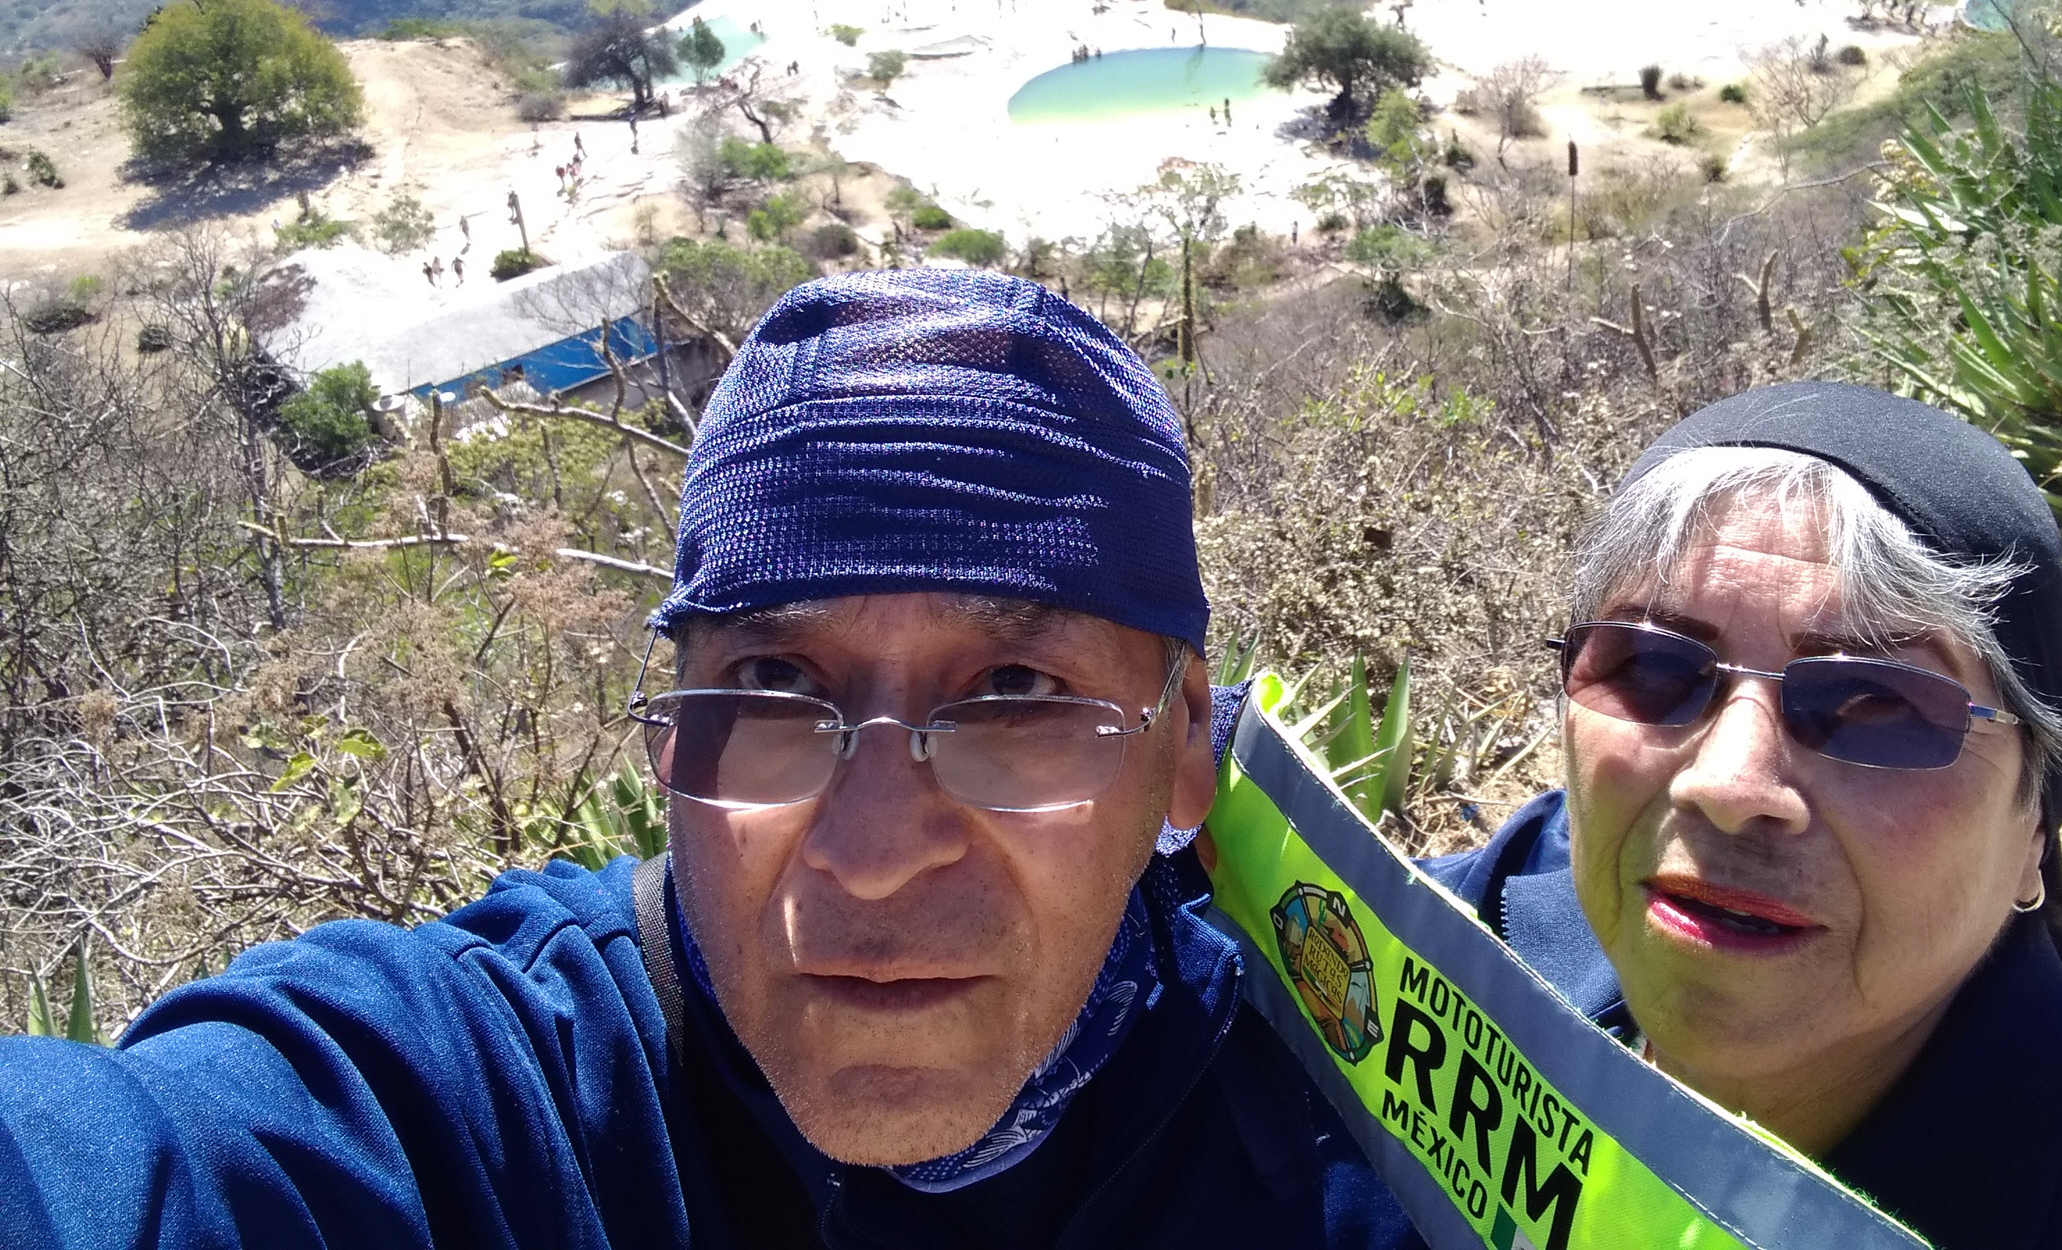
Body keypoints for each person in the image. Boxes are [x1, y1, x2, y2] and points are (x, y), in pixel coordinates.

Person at [0, 271, 1419, 1250]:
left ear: (1183, 749)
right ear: (674, 731)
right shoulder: (492, 1107)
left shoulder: (1363, 1127)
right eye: (774, 687)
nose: (869, 850)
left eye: (1010, 692)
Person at [1430, 382, 2062, 1250]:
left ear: (2031, 833)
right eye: (1651, 666)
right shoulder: (1495, 914)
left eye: (1876, 702)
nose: (1725, 784)